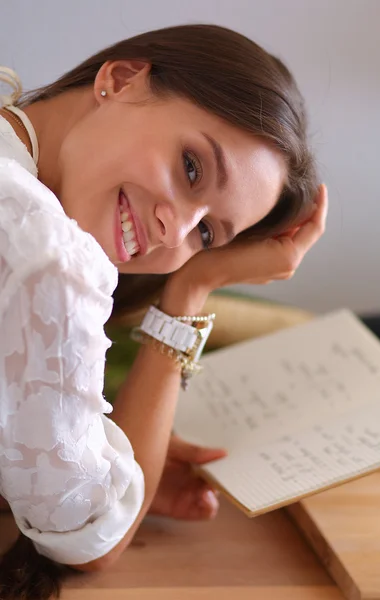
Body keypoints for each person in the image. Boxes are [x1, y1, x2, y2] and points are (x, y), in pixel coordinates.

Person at [0, 23, 327, 600]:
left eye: (206, 234)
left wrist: (69, 452)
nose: (171, 231)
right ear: (121, 79)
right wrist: (194, 287)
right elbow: (91, 539)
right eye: (192, 167)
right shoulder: (48, 255)